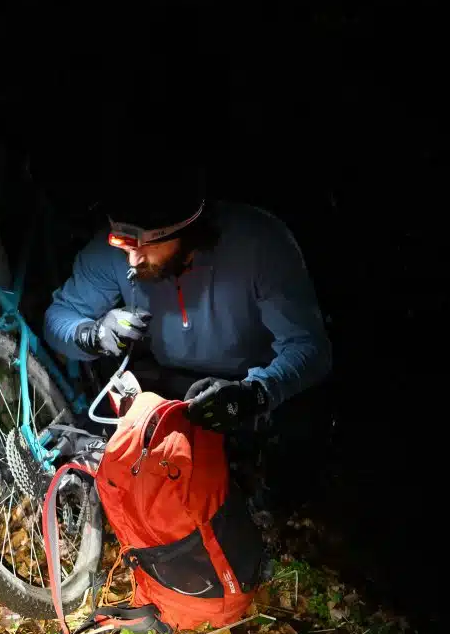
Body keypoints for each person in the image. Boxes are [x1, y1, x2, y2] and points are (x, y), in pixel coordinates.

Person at [43, 152, 333, 441]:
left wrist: (255, 394)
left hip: (249, 384)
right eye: (123, 242)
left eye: (145, 245)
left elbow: (309, 348)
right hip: (167, 385)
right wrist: (91, 335)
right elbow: (58, 318)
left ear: (187, 230)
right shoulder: (109, 253)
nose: (132, 260)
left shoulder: (259, 244)